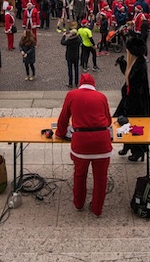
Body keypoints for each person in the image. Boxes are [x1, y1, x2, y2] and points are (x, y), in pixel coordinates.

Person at [55, 73, 112, 217]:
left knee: (79, 175)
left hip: (81, 144)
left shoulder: (72, 95)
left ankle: (79, 203)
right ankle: (97, 209)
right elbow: (109, 121)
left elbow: (63, 118)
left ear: (80, 84)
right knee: (101, 178)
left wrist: (60, 134)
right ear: (93, 85)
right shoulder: (102, 97)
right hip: (102, 144)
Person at [116, 35, 150, 161]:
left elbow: (134, 85)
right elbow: (129, 75)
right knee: (124, 123)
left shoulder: (140, 66)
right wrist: (122, 64)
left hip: (136, 102)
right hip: (130, 98)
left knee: (134, 125)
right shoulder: (137, 62)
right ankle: (127, 145)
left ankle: (138, 151)